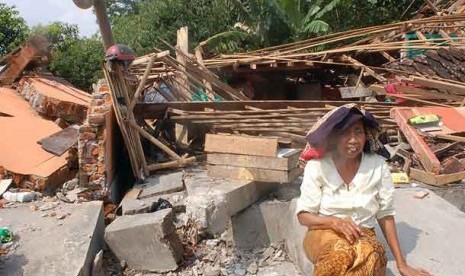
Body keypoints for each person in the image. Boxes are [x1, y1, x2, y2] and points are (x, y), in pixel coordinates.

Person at [296, 104, 432, 276]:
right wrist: (334, 222)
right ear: (333, 137)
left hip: (363, 234)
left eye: (358, 132)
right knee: (340, 253)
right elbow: (303, 216)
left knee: (372, 255)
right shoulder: (318, 166)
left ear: (366, 136)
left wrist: (401, 264)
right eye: (345, 132)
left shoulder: (377, 166)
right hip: (323, 233)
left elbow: (385, 214)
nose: (353, 140)